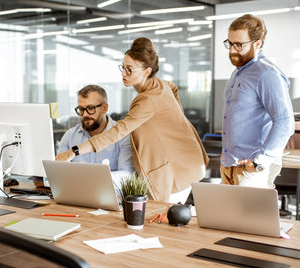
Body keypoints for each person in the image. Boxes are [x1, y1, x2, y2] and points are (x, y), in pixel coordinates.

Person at [56, 38, 208, 203]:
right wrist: (175, 122)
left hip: (178, 170)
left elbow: (117, 132)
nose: (123, 74)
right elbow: (173, 87)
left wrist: (74, 151)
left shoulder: (148, 100)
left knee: (159, 220)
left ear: (146, 71)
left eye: (129, 70)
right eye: (123, 68)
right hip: (188, 161)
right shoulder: (161, 85)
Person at [220, 14, 294, 187]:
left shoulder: (267, 74)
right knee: (226, 214)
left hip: (252, 167)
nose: (232, 50)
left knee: (251, 215)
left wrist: (261, 161)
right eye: (229, 43)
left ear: (257, 44)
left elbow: (284, 121)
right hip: (230, 163)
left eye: (239, 45)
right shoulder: (238, 73)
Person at [58, 84, 134, 193]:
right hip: (76, 196)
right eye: (81, 109)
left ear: (105, 108)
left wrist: (91, 175)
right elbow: (59, 172)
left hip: (110, 198)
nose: (85, 114)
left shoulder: (122, 135)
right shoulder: (70, 136)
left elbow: (127, 176)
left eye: (90, 108)